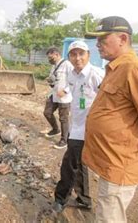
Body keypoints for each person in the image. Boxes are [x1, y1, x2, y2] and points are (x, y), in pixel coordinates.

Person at [83, 16, 138, 222]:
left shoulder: (134, 68)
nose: (97, 44)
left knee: (109, 217)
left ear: (123, 38)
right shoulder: (117, 67)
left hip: (121, 162)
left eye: (103, 39)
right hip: (111, 159)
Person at [53, 41, 104, 213]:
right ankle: (84, 199)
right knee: (79, 163)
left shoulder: (96, 74)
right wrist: (64, 91)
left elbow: (110, 97)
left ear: (88, 55)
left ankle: (60, 198)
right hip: (76, 126)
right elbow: (70, 87)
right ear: (69, 57)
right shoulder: (72, 74)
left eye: (81, 53)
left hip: (87, 129)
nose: (77, 58)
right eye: (73, 54)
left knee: (68, 164)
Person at [43, 47, 73, 149]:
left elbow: (73, 80)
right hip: (54, 94)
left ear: (56, 54)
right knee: (47, 112)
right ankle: (55, 129)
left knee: (63, 118)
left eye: (51, 57)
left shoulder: (67, 65)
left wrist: (65, 91)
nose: (50, 60)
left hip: (65, 97)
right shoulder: (53, 66)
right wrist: (50, 81)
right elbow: (54, 80)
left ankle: (64, 140)